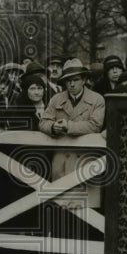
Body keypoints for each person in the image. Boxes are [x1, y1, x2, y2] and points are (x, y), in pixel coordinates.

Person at [39, 58, 105, 213]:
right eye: (68, 81)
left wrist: (68, 126)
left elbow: (95, 125)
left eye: (76, 80)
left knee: (87, 215)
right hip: (61, 163)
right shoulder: (56, 99)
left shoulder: (97, 99)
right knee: (61, 214)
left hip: (86, 163)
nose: (72, 85)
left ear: (84, 80)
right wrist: (53, 127)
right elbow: (43, 122)